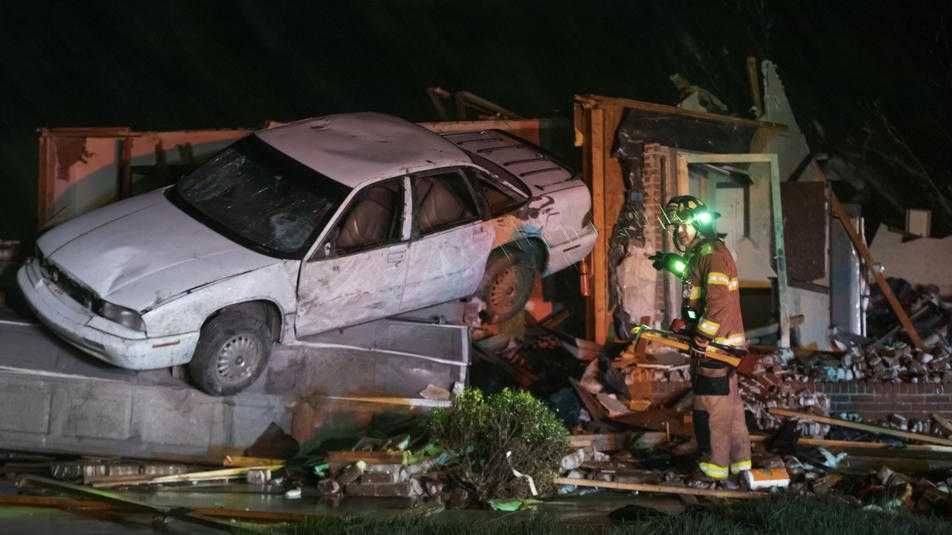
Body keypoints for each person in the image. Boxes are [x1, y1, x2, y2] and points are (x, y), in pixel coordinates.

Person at [659, 195, 751, 483]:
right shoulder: (705, 252)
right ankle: (740, 464)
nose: (678, 232)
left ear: (698, 224)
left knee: (710, 410)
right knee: (730, 408)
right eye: (675, 228)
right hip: (723, 344)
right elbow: (694, 279)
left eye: (683, 226)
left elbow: (718, 304)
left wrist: (700, 337)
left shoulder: (711, 254)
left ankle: (713, 469)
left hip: (715, 346)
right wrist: (669, 262)